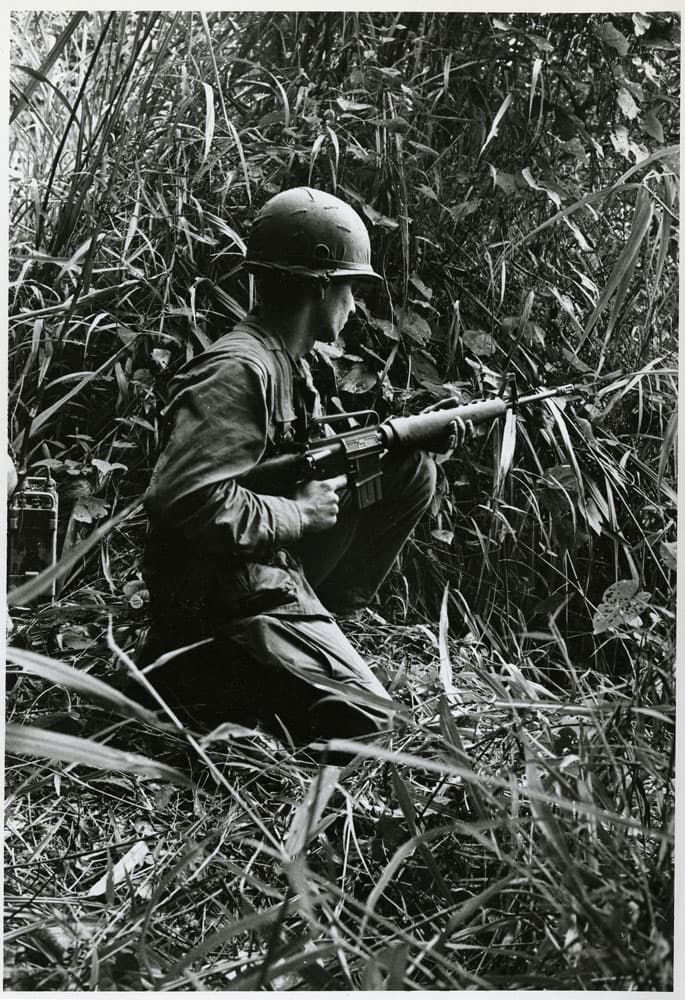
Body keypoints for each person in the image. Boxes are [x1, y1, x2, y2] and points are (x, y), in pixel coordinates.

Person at [140, 187, 456, 754]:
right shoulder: (238, 371)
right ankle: (203, 673)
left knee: (409, 470)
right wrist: (298, 513)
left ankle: (316, 623)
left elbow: (289, 462)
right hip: (219, 594)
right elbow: (184, 501)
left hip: (260, 566)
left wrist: (403, 440)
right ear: (317, 287)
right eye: (351, 289)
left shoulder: (293, 365)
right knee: (371, 725)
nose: (355, 306)